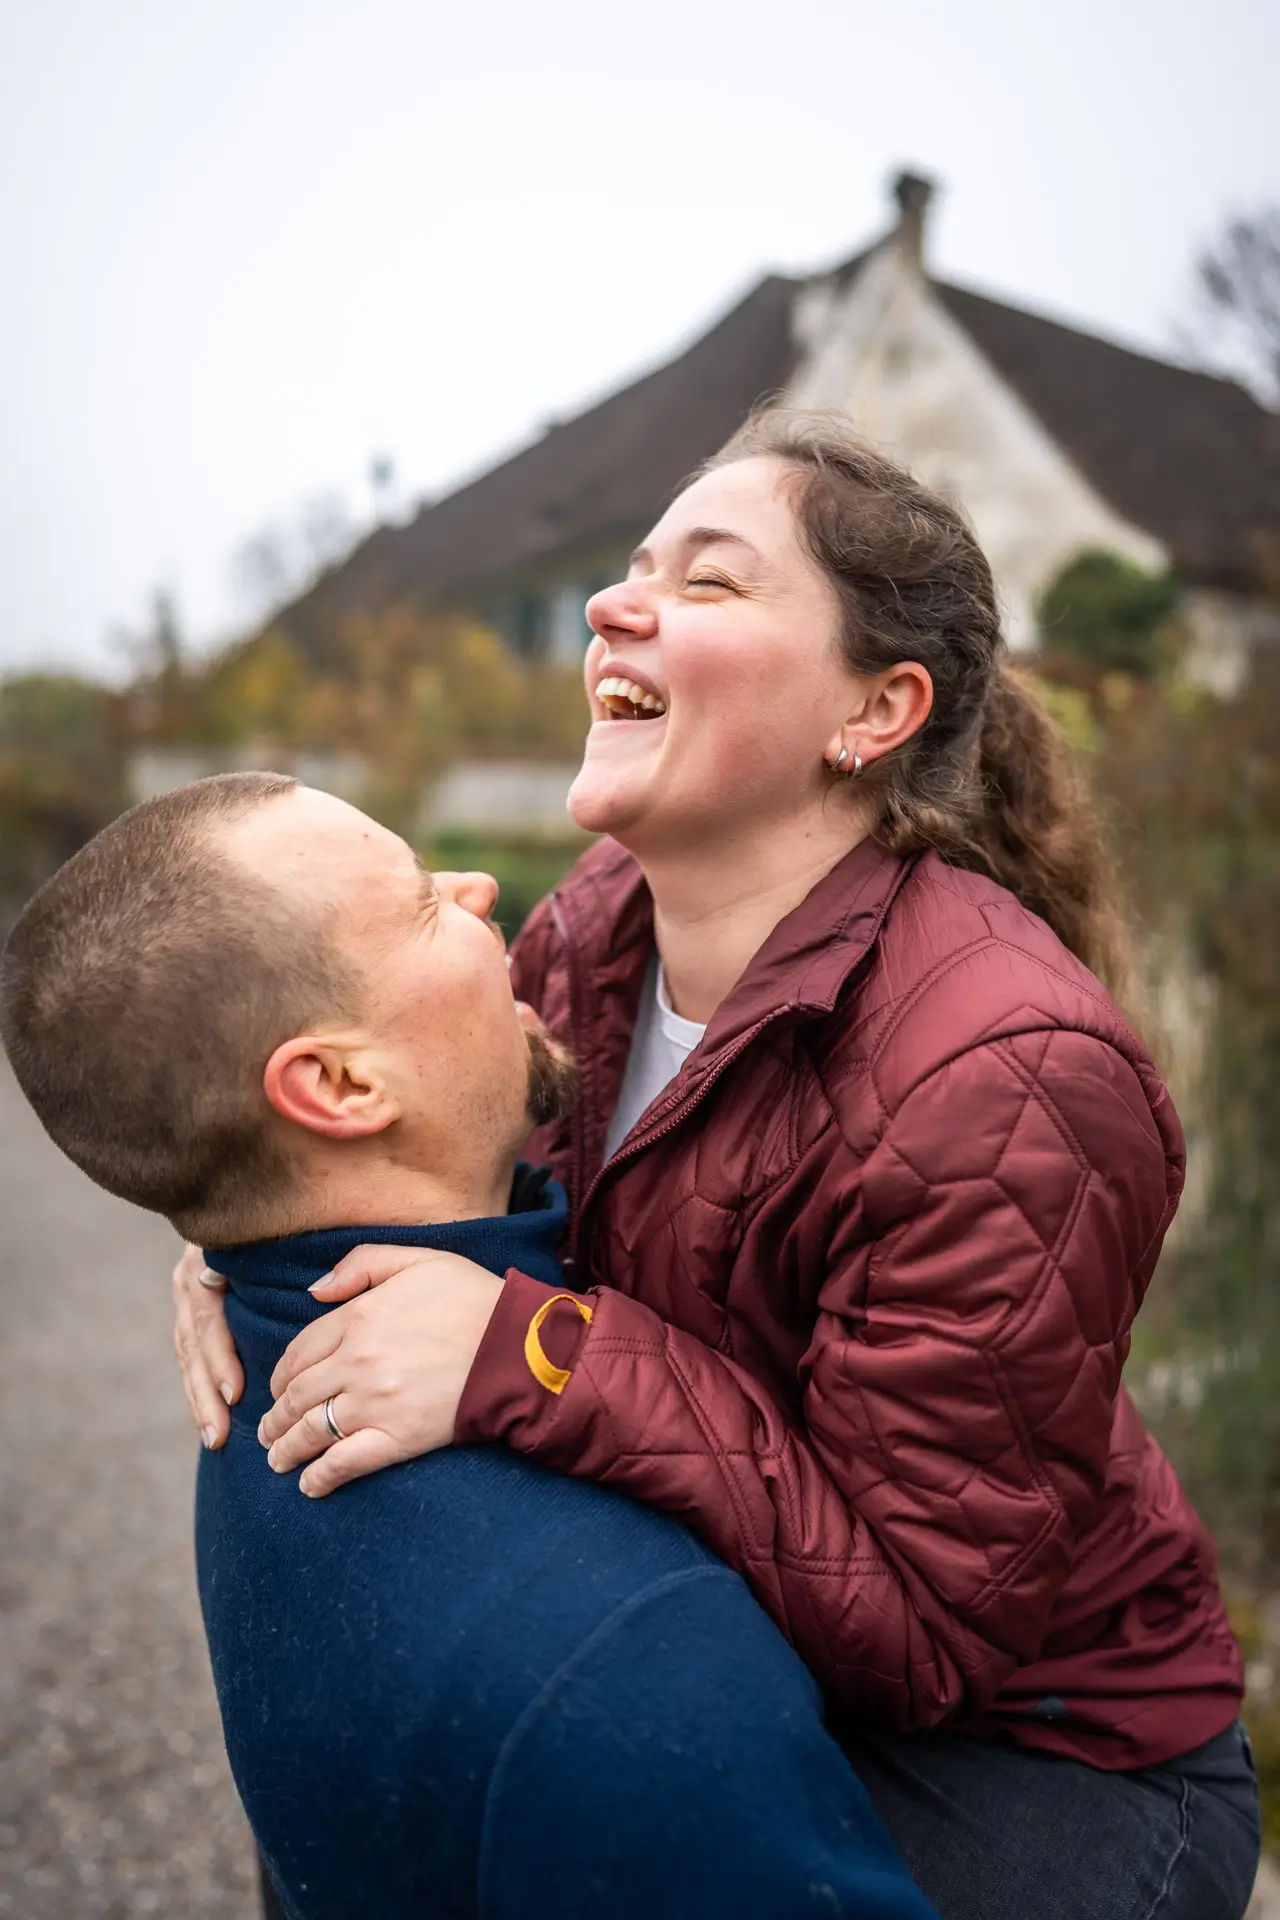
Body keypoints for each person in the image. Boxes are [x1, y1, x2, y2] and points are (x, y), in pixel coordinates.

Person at [177, 412, 1260, 1920]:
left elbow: (928, 1630)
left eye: (711, 581)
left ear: (874, 710)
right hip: (743, 1640)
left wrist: (546, 1352)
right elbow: (420, 1149)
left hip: (1042, 1751)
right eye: (630, 570)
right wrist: (254, 1228)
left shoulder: (1008, 1074)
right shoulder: (595, 924)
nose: (618, 607)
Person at [0, 771, 940, 1920]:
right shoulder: (631, 1667)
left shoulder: (258, 1357)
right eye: (417, 903)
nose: (481, 885)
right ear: (341, 1084)